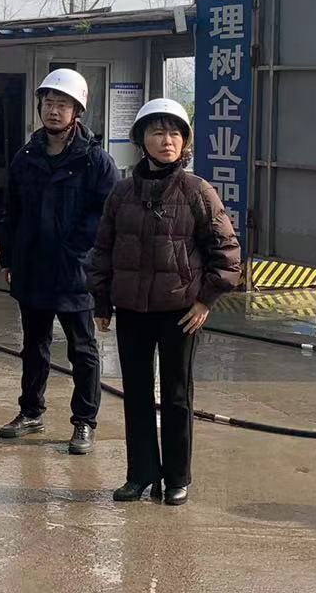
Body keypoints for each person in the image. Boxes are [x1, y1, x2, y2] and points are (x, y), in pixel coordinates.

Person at [88, 97, 241, 505]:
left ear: (184, 141)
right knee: (136, 394)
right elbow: (103, 250)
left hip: (180, 312)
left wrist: (205, 301)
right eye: (157, 132)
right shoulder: (122, 193)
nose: (167, 140)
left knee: (176, 395)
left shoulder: (197, 191)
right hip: (132, 310)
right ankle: (140, 474)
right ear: (142, 140)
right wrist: (101, 301)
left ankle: (176, 477)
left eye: (174, 133)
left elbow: (227, 253)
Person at [0, 70, 118, 454]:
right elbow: (12, 212)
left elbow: (105, 218)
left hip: (74, 272)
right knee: (34, 345)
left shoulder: (96, 162)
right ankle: (31, 411)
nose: (53, 110)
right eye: (48, 103)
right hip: (32, 267)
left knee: (82, 349)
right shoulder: (26, 157)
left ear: (77, 110)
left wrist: (77, 252)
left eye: (62, 104)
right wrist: (8, 257)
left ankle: (84, 421)